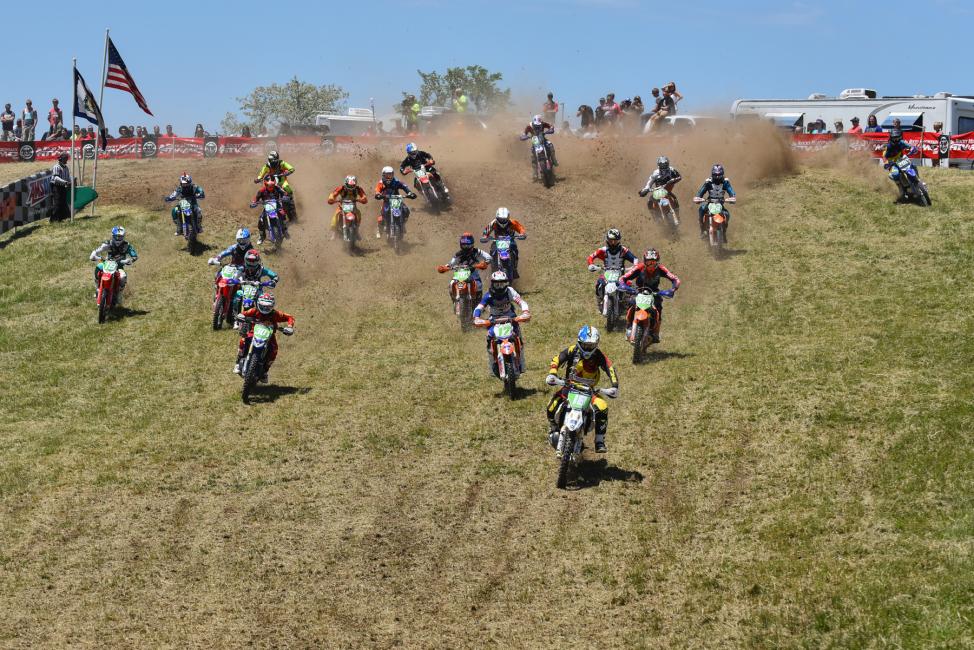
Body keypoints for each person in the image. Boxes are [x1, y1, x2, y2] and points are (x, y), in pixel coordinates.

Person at [545, 326, 619, 453]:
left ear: (596, 344)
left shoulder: (599, 355)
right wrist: (553, 373)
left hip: (590, 391)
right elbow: (558, 358)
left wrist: (614, 385)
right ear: (579, 342)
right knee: (552, 406)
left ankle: (599, 440)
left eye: (591, 346)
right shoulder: (572, 350)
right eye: (585, 345)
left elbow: (610, 367)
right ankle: (553, 427)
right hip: (569, 387)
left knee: (602, 407)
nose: (588, 349)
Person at [473, 270, 531, 375]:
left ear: (506, 283)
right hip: (494, 320)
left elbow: (521, 301)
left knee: (518, 338)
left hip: (510, 318)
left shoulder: (510, 291)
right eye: (497, 284)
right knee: (489, 338)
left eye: (502, 283)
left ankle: (521, 364)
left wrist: (525, 311)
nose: (500, 286)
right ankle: (492, 367)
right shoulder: (488, 295)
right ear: (492, 283)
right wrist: (477, 317)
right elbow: (479, 307)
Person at [619, 248, 680, 342]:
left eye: (653, 262)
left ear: (657, 262)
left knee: (658, 306)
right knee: (631, 302)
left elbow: (675, 279)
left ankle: (656, 332)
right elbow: (623, 277)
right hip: (638, 290)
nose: (651, 265)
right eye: (648, 262)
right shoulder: (639, 267)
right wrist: (624, 286)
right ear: (644, 261)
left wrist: (672, 289)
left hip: (654, 292)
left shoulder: (661, 269)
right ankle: (628, 326)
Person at [233, 292, 294, 382]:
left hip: (269, 336)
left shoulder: (275, 314)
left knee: (274, 350)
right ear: (258, 304)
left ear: (272, 306)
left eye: (268, 307)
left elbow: (290, 317)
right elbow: (244, 313)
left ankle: (265, 371)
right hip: (253, 332)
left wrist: (289, 327)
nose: (265, 308)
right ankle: (238, 362)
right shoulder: (254, 311)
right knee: (243, 341)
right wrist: (241, 316)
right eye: (263, 306)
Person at [586, 228, 637, 312]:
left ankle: (625, 302)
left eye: (615, 240)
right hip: (607, 273)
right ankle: (600, 302)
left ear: (619, 240)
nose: (613, 243)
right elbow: (590, 257)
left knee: (629, 287)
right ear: (607, 240)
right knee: (599, 283)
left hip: (621, 274)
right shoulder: (603, 250)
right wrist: (591, 264)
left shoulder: (623, 250)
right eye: (611, 240)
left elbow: (635, 259)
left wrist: (635, 266)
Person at [436, 232, 492, 300]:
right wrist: (444, 267)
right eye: (464, 245)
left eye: (468, 245)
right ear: (461, 245)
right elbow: (451, 263)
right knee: (451, 284)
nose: (466, 247)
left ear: (472, 244)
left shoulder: (477, 252)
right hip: (459, 274)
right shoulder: (458, 254)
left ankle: (478, 303)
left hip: (473, 274)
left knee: (478, 285)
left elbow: (489, 257)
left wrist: (484, 263)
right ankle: (454, 301)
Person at [88, 226, 138, 298]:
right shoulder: (108, 244)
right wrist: (94, 255)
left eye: (120, 237)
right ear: (112, 236)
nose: (118, 239)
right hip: (107, 263)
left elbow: (135, 256)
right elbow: (97, 250)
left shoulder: (127, 245)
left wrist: (130, 260)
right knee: (98, 267)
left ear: (123, 237)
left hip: (119, 266)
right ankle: (98, 288)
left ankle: (119, 294)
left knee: (123, 277)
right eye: (116, 236)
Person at [481, 207, 527, 278]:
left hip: (510, 240)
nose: (502, 221)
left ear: (508, 217)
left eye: (504, 219)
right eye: (501, 219)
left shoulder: (513, 222)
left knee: (515, 250)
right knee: (492, 250)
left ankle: (514, 268)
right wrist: (484, 237)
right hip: (497, 241)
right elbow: (486, 231)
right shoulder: (494, 223)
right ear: (497, 218)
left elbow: (520, 228)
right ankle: (493, 267)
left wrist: (522, 233)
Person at [373, 166, 416, 239]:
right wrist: (378, 194)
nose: (389, 176)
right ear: (383, 175)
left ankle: (402, 224)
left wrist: (410, 193)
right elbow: (377, 189)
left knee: (406, 211)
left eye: (391, 174)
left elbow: (404, 186)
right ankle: (379, 230)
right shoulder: (381, 182)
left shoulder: (396, 181)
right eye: (387, 174)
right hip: (387, 201)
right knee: (382, 216)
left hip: (397, 200)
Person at [695, 164, 736, 239]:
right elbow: (701, 191)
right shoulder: (708, 182)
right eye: (715, 175)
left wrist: (732, 197)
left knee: (726, 214)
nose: (717, 177)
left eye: (719, 175)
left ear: (722, 174)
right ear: (712, 174)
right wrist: (698, 198)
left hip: (720, 203)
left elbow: (731, 191)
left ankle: (724, 233)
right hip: (710, 203)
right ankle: (702, 231)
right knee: (701, 210)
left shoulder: (725, 182)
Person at [882, 128, 920, 202]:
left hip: (901, 159)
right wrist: (887, 164)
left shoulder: (901, 142)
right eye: (894, 138)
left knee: (912, 165)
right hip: (892, 163)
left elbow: (909, 146)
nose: (896, 140)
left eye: (898, 138)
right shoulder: (888, 147)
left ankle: (918, 179)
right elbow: (884, 157)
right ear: (891, 138)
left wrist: (912, 148)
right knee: (895, 174)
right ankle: (901, 189)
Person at [249, 176, 291, 243]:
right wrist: (254, 203)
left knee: (283, 214)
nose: (271, 188)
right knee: (260, 221)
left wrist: (285, 197)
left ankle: (285, 230)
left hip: (277, 205)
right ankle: (262, 236)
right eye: (269, 186)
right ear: (265, 184)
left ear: (274, 184)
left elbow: (284, 193)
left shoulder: (277, 188)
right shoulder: (261, 191)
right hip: (267, 207)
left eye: (272, 186)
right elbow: (256, 198)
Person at [50, 153, 72, 222]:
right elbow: (56, 178)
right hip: (56, 186)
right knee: (57, 203)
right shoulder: (57, 167)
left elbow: (68, 177)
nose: (66, 160)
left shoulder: (66, 168)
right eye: (65, 159)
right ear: (61, 159)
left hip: (63, 186)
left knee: (63, 202)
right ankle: (53, 220)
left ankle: (61, 218)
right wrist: (65, 182)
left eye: (67, 158)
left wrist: (70, 182)